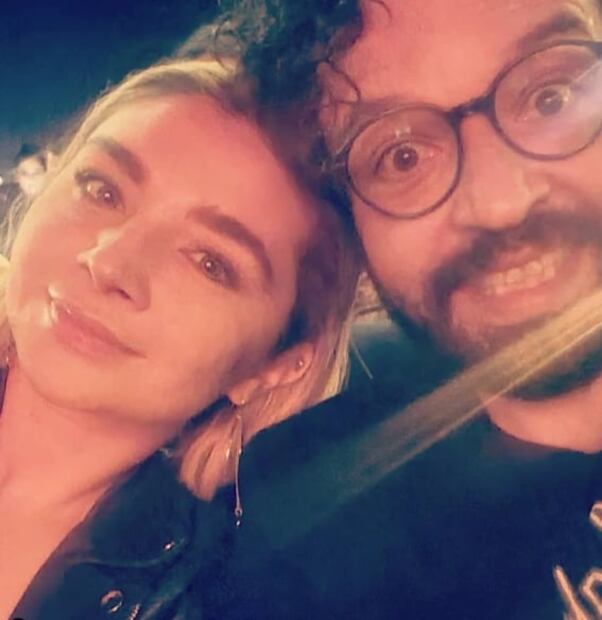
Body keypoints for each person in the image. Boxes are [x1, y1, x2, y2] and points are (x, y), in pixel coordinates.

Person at [183, 1, 602, 618]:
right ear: (358, 242)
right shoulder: (323, 547)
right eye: (401, 157)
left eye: (551, 98)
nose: (500, 203)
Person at [0, 55, 359, 620]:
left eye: (210, 262)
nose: (109, 262)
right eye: (102, 190)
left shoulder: (223, 598)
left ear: (275, 363)